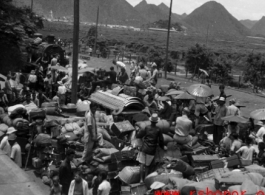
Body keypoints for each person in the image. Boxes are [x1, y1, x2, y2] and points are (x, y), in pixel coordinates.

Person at [136, 113, 164, 182]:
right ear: (156, 122)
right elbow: (161, 140)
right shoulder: (158, 130)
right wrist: (162, 147)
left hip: (144, 148)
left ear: (150, 121)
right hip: (151, 150)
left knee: (142, 164)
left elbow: (141, 135)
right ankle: (146, 179)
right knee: (147, 165)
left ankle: (141, 179)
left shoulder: (147, 127)